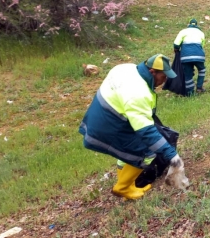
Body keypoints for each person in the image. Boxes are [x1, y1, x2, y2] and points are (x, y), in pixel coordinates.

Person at [79, 54, 188, 199]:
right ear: (152, 72)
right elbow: (147, 132)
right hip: (108, 127)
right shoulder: (138, 93)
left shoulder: (128, 68)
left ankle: (129, 184)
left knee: (128, 149)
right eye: (164, 76)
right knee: (147, 152)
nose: (165, 80)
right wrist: (173, 156)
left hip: (100, 117)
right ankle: (123, 188)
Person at [174, 18, 206, 95]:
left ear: (188, 24)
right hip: (199, 56)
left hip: (185, 56)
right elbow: (202, 45)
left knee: (187, 74)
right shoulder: (201, 33)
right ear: (197, 25)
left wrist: (176, 50)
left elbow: (176, 44)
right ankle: (199, 87)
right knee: (202, 70)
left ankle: (190, 92)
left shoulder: (183, 32)